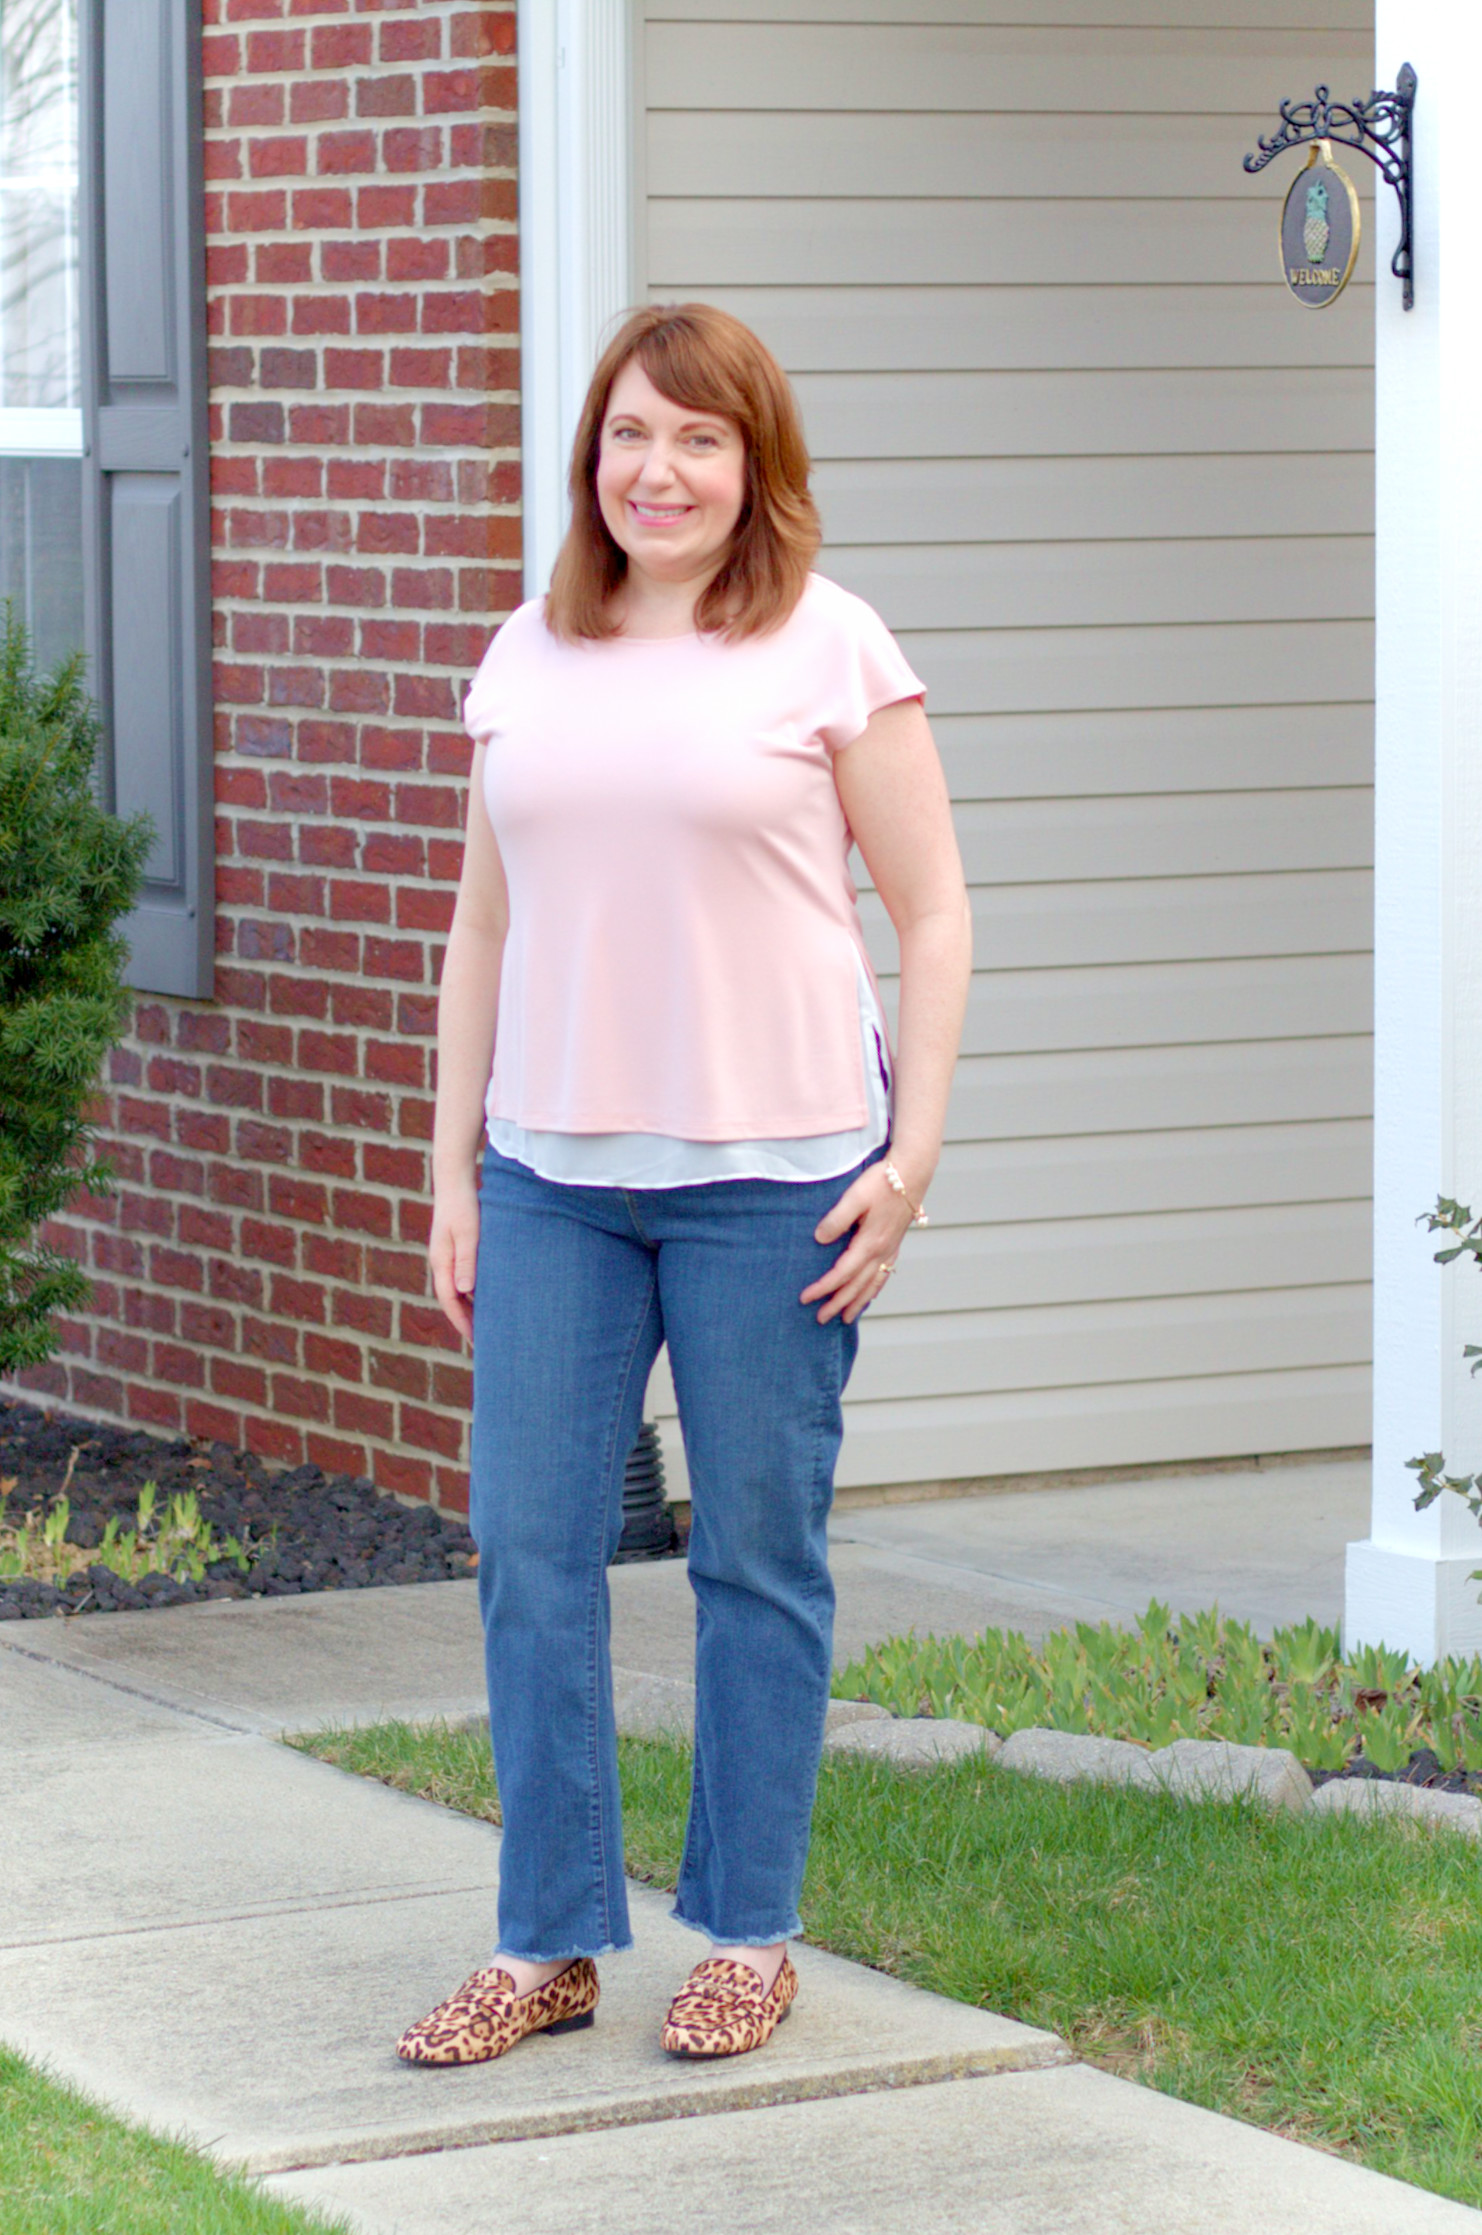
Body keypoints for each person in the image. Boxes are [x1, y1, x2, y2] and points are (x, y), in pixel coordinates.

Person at [397, 303, 971, 2068]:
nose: (660, 470)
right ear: (594, 458)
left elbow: (934, 912)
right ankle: (551, 1939)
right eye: (632, 434)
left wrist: (913, 1154)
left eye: (700, 440)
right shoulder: (526, 654)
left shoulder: (830, 646)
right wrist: (454, 1173)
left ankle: (743, 1931)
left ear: (755, 468)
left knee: (758, 1565)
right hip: (557, 1180)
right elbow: (484, 923)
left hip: (776, 1183)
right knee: (529, 1554)